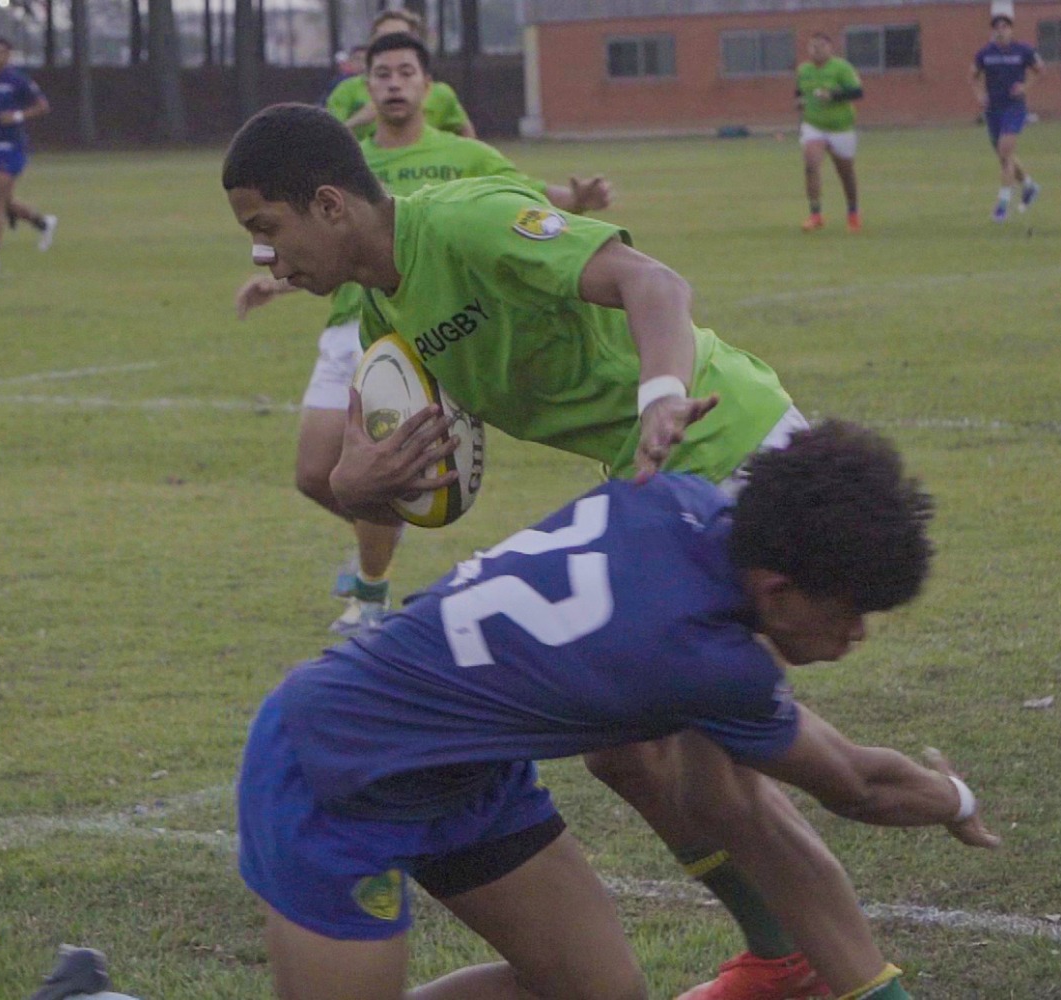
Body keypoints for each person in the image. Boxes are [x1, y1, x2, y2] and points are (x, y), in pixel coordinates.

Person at [225, 102, 911, 1000]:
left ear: (329, 204)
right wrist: (362, 486)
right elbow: (383, 471)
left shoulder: (464, 222)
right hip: (648, 480)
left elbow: (651, 282)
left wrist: (661, 393)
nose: (270, 260)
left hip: (719, 445)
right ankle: (780, 955)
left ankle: (805, 967)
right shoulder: (380, 313)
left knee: (722, 783)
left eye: (267, 230)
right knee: (628, 753)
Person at [238, 421, 1000, 1000]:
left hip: (469, 778)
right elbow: (854, 786)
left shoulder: (676, 496)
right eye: (850, 613)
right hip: (336, 767)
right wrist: (954, 799)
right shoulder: (707, 661)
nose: (856, 635)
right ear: (776, 590)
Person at [236, 33, 611, 637]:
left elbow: (523, 197)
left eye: (404, 72)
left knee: (383, 460)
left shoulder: (461, 157)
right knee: (314, 473)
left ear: (427, 87)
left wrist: (577, 200)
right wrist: (276, 285)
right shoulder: (344, 161)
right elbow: (313, 241)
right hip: (356, 323)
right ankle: (386, 525)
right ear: (366, 83)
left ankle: (371, 589)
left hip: (423, 330)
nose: (392, 84)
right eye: (380, 73)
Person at [0, 36, 58, 275]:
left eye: (1, 53)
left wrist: (17, 116)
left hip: (12, 144)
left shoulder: (17, 80)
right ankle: (42, 222)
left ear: (8, 55)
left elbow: (42, 105)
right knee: (2, 199)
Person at [327, 8, 475, 140]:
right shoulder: (345, 90)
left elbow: (466, 136)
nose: (393, 44)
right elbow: (327, 139)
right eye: (384, 38)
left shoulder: (441, 94)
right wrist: (358, 119)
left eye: (400, 37)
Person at [971, 14, 1044, 222]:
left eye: (1005, 26)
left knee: (1004, 152)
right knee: (1005, 156)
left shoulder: (1023, 51)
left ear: (1011, 29)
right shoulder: (985, 53)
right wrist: (979, 95)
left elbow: (1040, 70)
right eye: (997, 27)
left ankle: (1002, 204)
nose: (1001, 30)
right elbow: (972, 76)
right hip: (994, 110)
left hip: (1014, 108)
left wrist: (1025, 87)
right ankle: (1029, 186)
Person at [795, 33, 863, 233]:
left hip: (840, 127)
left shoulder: (841, 68)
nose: (816, 50)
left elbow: (857, 92)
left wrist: (833, 95)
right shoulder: (804, 70)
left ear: (830, 48)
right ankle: (815, 214)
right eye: (813, 47)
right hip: (814, 124)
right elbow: (800, 92)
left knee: (845, 172)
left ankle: (853, 212)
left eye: (821, 46)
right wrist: (799, 102)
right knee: (811, 163)